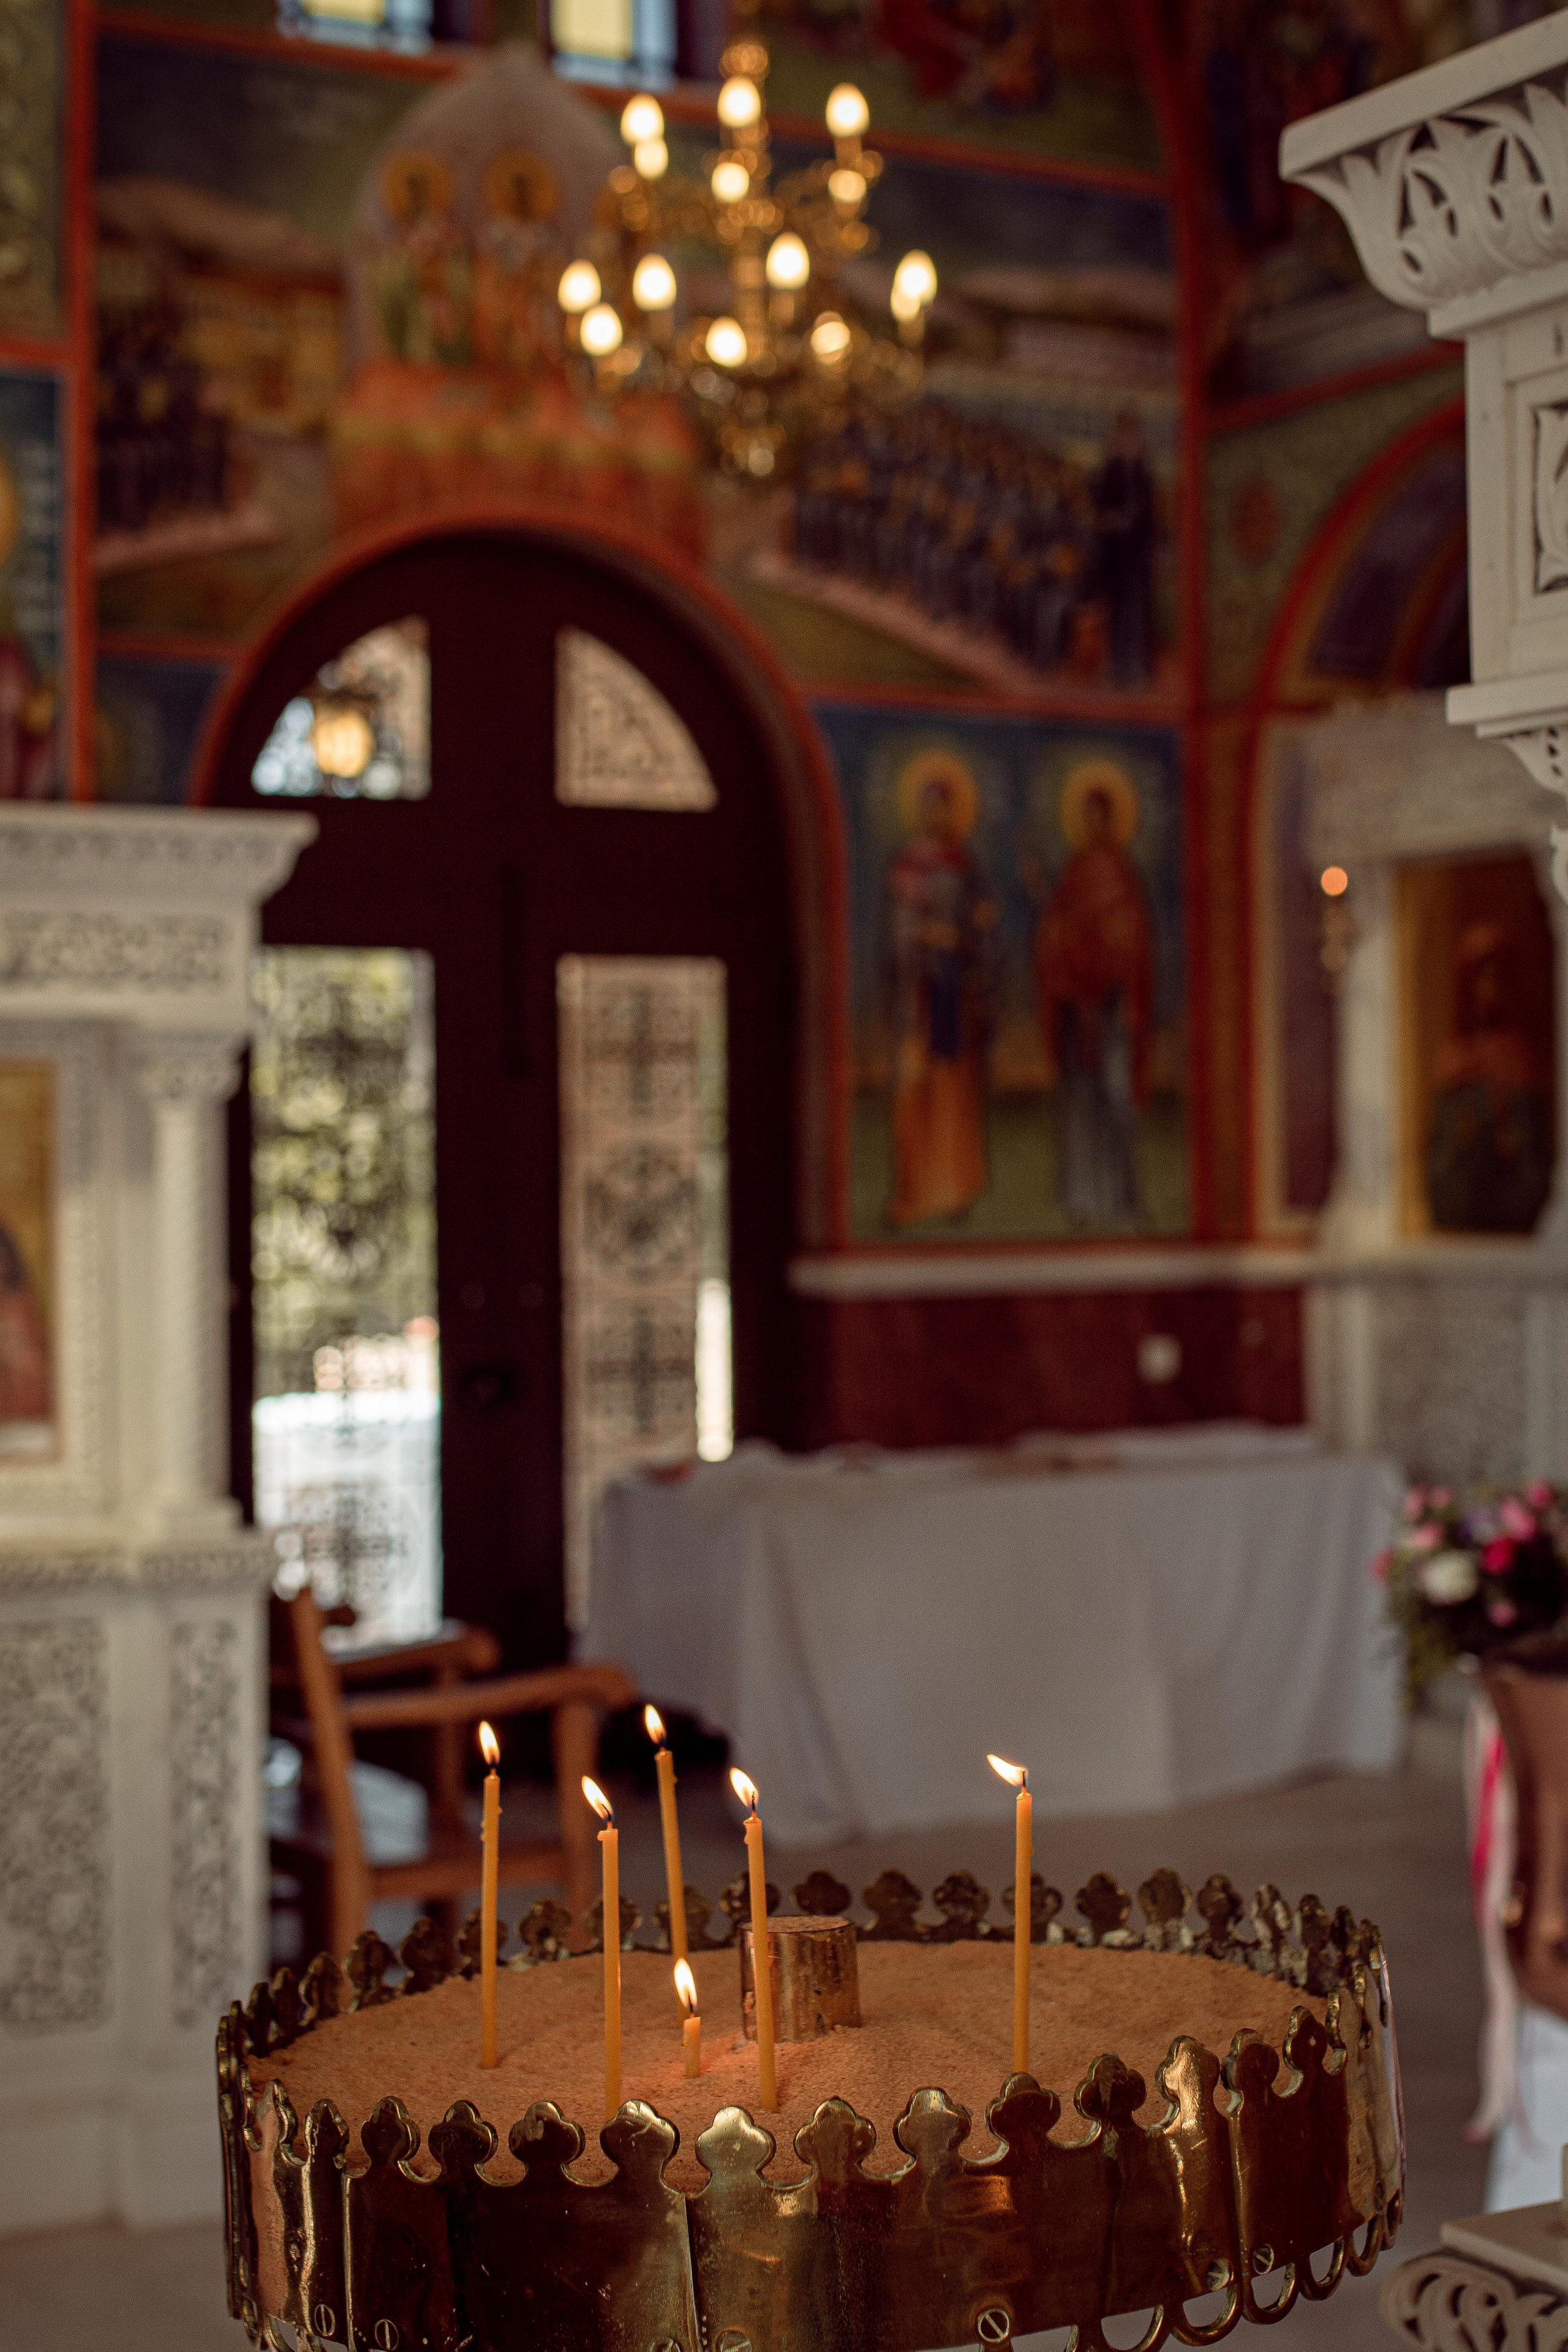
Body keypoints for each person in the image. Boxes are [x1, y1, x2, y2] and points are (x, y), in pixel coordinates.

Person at [1033, 767, 1153, 1226]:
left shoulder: (1121, 876)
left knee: (1118, 1103)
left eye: (1099, 817)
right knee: (1080, 1103)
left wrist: (1104, 949)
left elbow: (1131, 940)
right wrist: (1059, 931)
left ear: (1111, 821)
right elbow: (1058, 933)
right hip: (1076, 1015)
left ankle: (1122, 1198)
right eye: (1086, 817)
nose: (1091, 826)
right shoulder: (1072, 873)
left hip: (1113, 1010)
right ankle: (1082, 1199)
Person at [883, 760, 995, 1227]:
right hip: (918, 995)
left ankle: (956, 1192)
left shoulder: (965, 868)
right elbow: (895, 932)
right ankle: (913, 1196)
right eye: (929, 807)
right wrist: (920, 937)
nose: (937, 815)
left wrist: (966, 942)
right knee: (914, 1092)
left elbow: (982, 929)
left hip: (953, 993)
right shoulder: (906, 866)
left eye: (944, 808)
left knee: (953, 1092)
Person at [1426, 921, 1553, 1234]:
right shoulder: (1455, 1057)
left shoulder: (1518, 1056)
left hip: (1509, 1203)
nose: (1489, 989)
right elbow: (1443, 1150)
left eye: (1496, 977)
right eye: (1480, 978)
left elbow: (1528, 1153)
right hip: (1461, 1203)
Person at [1090, 410, 1156, 688]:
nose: (1127, 442)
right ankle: (1118, 671)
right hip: (1116, 553)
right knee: (1117, 611)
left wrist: (1131, 522)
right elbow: (1100, 507)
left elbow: (1146, 512)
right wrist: (1114, 521)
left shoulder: (1142, 473)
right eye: (1122, 435)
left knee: (1137, 611)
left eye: (1131, 435)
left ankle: (1138, 671)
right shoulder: (1111, 471)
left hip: (1137, 554)